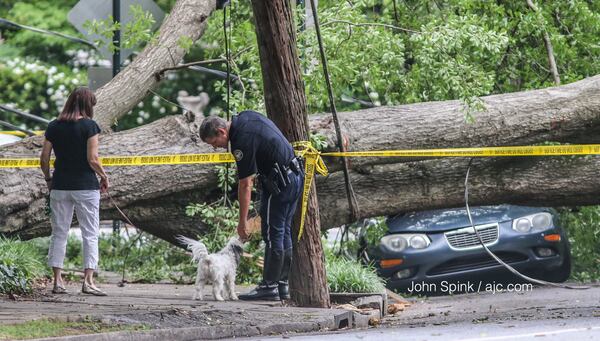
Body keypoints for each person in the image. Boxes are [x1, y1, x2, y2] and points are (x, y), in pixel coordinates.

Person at [199, 111, 304, 301]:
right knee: (284, 231)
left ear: (222, 131)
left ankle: (269, 287)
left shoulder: (241, 140)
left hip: (280, 184)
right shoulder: (244, 118)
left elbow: (245, 184)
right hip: (295, 175)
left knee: (273, 233)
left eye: (214, 143)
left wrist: (242, 223)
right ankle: (282, 286)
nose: (216, 148)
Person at [40, 87, 109, 296]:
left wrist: (49, 179)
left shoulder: (54, 126)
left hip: (60, 186)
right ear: (88, 105)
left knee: (59, 233)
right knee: (90, 233)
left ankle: (57, 281)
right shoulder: (90, 126)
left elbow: (43, 159)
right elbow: (92, 159)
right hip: (86, 187)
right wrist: (104, 177)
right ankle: (88, 281)